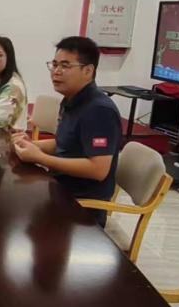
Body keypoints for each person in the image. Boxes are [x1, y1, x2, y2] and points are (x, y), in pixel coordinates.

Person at [11, 36, 121, 225]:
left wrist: (39, 157)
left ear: (88, 70)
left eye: (65, 66)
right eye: (54, 65)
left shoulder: (99, 111)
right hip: (58, 187)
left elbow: (98, 169)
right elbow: (64, 143)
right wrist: (31, 145)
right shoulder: (71, 99)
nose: (56, 71)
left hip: (80, 207)